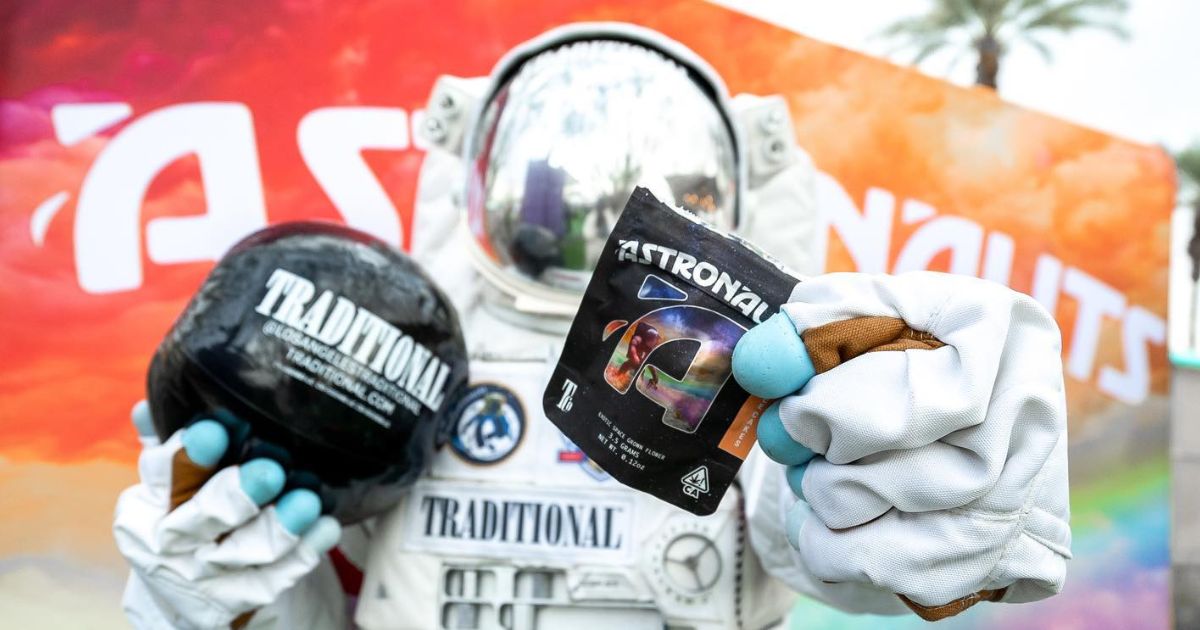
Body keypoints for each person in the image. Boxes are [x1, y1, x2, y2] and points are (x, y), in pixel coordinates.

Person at [113, 23, 1071, 629]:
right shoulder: (401, 376)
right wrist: (219, 590)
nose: (600, 218)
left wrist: (940, 473)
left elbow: (852, 544)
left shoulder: (757, 399)